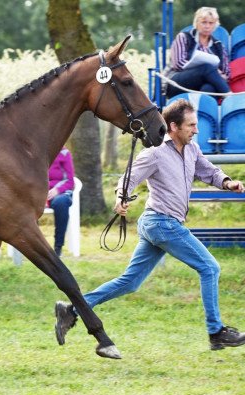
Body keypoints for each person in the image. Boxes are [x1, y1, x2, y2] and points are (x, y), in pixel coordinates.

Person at [54, 99, 245, 351]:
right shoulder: (155, 152)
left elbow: (208, 171)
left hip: (159, 224)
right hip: (161, 222)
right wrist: (121, 197)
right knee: (210, 268)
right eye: (191, 125)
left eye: (196, 124)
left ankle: (71, 310)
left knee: (130, 282)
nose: (196, 129)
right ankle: (216, 331)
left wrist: (227, 182)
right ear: (173, 126)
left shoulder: (192, 149)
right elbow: (129, 176)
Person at [165, 7, 230, 99]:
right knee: (207, 67)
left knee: (209, 88)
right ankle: (230, 97)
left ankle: (201, 113)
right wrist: (205, 70)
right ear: (196, 23)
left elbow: (226, 73)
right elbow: (178, 64)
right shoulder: (183, 37)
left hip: (204, 84)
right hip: (177, 83)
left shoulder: (218, 46)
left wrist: (213, 73)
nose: (207, 26)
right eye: (204, 22)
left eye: (211, 23)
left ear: (215, 25)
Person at [47, 147, 75, 256]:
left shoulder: (64, 152)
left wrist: (57, 190)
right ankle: (34, 246)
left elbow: (70, 181)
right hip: (38, 191)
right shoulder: (34, 149)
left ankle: (58, 247)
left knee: (61, 202)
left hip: (59, 193)